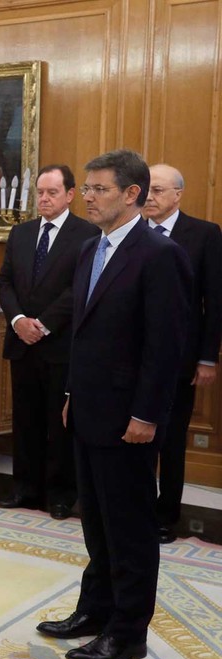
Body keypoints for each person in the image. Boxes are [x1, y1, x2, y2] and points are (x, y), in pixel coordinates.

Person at [37, 149, 192, 659]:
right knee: (96, 523)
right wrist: (69, 395)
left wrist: (147, 415)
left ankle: (127, 633)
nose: (88, 197)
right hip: (87, 410)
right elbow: (82, 337)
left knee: (129, 527)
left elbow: (165, 347)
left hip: (130, 420)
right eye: (86, 188)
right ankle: (95, 609)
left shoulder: (158, 255)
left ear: (132, 194)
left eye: (99, 189)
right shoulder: (90, 249)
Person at [0, 165, 100, 519]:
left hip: (60, 346)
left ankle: (60, 494)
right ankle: (24, 488)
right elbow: (5, 282)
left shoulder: (88, 234)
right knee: (25, 421)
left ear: (70, 194)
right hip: (22, 343)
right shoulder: (21, 233)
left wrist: (42, 324)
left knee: (60, 424)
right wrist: (18, 321)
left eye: (52, 192)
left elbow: (80, 288)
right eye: (40, 192)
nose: (43, 198)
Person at [144, 164, 222, 544]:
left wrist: (208, 357)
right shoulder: (131, 232)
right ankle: (135, 507)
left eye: (158, 190)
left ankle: (166, 514)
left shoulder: (204, 235)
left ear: (178, 194)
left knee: (171, 440)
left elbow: (215, 301)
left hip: (180, 358)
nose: (149, 196)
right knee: (132, 436)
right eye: (146, 189)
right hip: (133, 357)